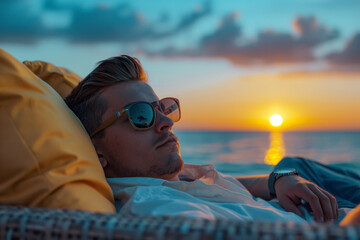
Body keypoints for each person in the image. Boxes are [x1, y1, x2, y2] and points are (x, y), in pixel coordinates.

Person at [65, 55, 360, 225]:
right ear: (98, 153)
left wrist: (279, 179)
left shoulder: (164, 180)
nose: (167, 122)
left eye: (163, 109)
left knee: (290, 164)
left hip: (301, 197)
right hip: (338, 221)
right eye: (141, 116)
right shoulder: (157, 210)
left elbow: (220, 181)